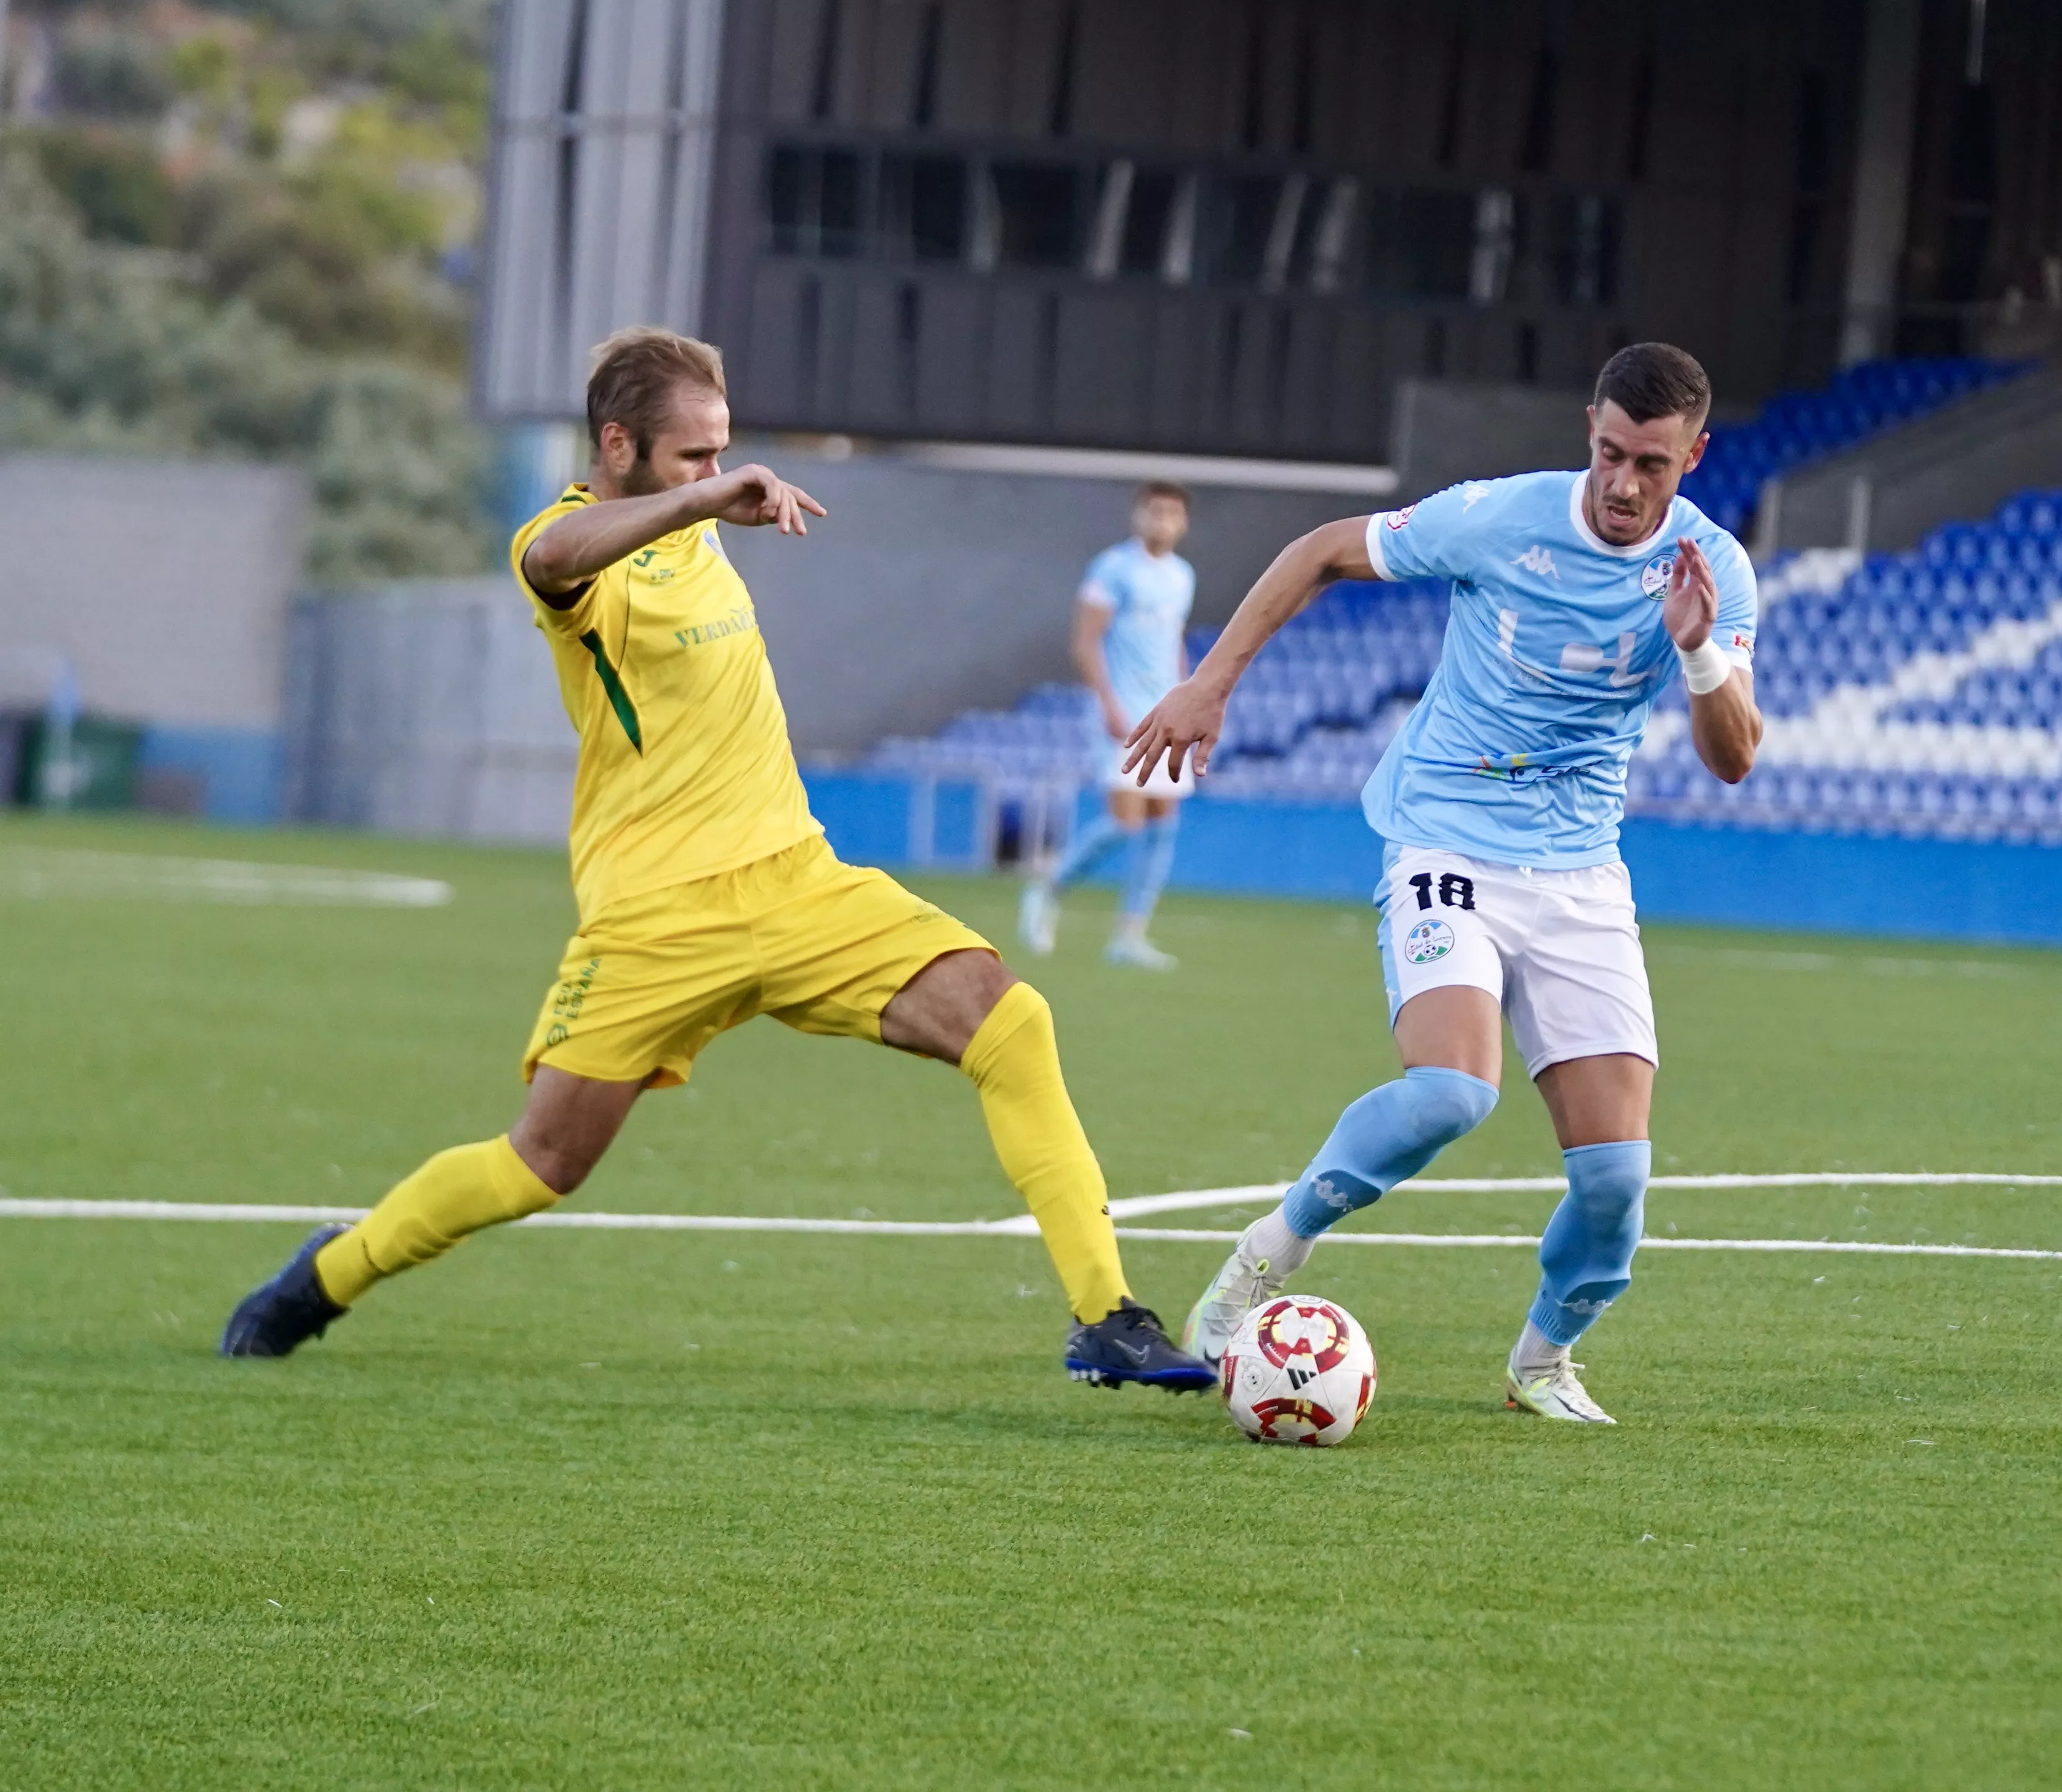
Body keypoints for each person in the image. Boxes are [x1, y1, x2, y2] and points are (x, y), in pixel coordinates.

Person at [218, 328, 1212, 1391]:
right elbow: (554, 560)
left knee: (1010, 1022)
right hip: (656, 919)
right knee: (540, 1165)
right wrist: (700, 499)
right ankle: (333, 1269)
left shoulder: (702, 520)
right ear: (617, 446)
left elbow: (699, 511)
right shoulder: (567, 549)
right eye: (693, 454)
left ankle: (1106, 1316)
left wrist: (705, 498)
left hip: (797, 882)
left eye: (721, 451)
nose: (717, 471)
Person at [1127, 343, 1762, 1424]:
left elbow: (1734, 756)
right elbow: (1326, 550)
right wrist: (1207, 681)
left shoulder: (1714, 571)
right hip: (1448, 839)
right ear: (1588, 431)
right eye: (1607, 452)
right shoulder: (1503, 517)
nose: (1619, 483)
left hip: (1580, 874)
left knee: (1614, 1181)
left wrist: (1699, 656)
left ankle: (1541, 1363)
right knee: (1449, 1092)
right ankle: (1258, 1264)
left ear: (1691, 456)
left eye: (1648, 465)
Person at [1021, 481, 1198, 971]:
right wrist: (1107, 703)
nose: (1163, 521)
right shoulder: (1113, 568)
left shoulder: (1182, 576)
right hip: (1122, 711)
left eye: (1172, 513)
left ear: (1183, 523)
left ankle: (1129, 935)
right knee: (1126, 821)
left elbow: (1174, 641)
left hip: (1166, 713)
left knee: (1164, 823)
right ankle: (1047, 888)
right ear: (1138, 516)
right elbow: (1085, 641)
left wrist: (1187, 701)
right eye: (1155, 511)